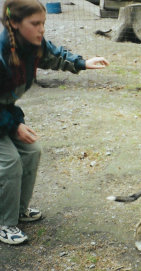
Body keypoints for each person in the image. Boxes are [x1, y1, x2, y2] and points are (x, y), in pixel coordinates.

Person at [0, 0, 109, 245]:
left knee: (32, 151)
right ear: (15, 24)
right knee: (9, 163)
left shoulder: (32, 45)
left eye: (44, 23)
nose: (41, 29)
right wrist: (14, 126)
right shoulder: (1, 53)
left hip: (5, 114)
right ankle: (5, 224)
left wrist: (82, 63)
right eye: (35, 23)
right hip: (3, 118)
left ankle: (19, 210)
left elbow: (54, 55)